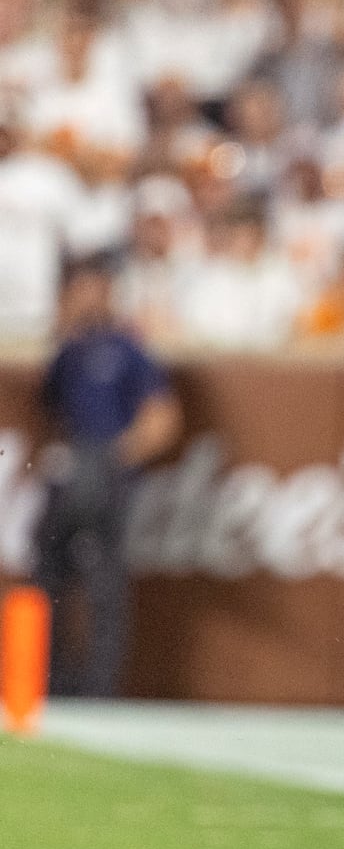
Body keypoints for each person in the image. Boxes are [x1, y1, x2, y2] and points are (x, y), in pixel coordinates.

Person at [34, 252, 182, 697]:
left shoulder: (126, 349)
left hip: (103, 470)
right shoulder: (68, 350)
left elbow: (162, 416)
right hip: (70, 467)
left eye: (91, 285)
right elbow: (48, 410)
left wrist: (117, 457)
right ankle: (55, 681)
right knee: (49, 574)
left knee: (103, 582)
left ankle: (99, 689)